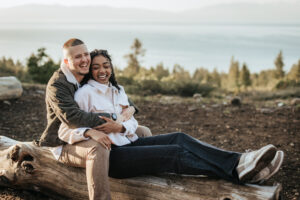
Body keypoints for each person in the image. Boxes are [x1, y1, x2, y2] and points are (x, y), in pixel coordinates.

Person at [59, 49, 284, 199]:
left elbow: (131, 121)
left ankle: (241, 162)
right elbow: (65, 128)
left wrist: (121, 127)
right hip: (113, 156)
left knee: (180, 137)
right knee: (174, 154)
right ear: (90, 71)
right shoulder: (85, 94)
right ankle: (237, 171)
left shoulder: (118, 91)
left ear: (111, 67)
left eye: (106, 66)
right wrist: (90, 133)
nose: (102, 71)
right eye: (96, 67)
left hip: (129, 144)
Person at [39, 38, 151, 200]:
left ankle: (144, 182)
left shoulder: (83, 72)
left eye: (86, 54)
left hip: (85, 132)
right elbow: (72, 117)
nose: (84, 60)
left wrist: (132, 108)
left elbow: (113, 91)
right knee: (97, 147)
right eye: (78, 57)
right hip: (64, 141)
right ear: (66, 61)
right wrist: (114, 120)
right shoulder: (58, 85)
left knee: (143, 131)